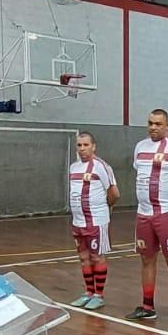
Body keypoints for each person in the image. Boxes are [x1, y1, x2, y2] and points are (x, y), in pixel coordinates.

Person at [128, 109, 168, 326]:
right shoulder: (140, 147)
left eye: (158, 124)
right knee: (146, 259)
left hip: (167, 212)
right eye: (150, 123)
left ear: (167, 126)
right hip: (143, 212)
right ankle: (147, 306)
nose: (153, 127)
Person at [68, 132, 119, 309]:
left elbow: (114, 193)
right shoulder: (73, 168)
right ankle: (88, 292)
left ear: (93, 146)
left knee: (97, 257)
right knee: (84, 257)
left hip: (96, 221)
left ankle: (99, 295)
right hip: (78, 221)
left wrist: (105, 209)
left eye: (86, 145)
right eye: (79, 145)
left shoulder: (101, 167)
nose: (82, 149)